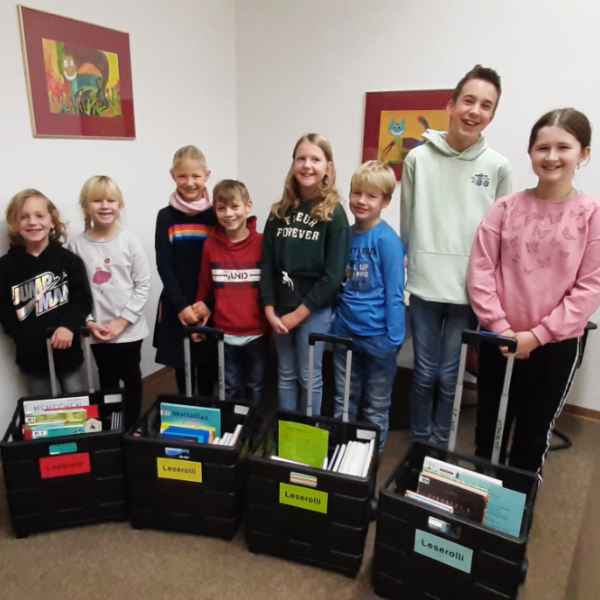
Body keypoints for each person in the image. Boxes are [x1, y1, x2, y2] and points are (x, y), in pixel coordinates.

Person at [467, 108, 600, 476]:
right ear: (530, 153)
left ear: (584, 154)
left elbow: (590, 286)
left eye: (563, 147)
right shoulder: (505, 208)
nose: (551, 157)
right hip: (498, 339)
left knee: (531, 437)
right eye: (542, 147)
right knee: (488, 432)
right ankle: (477, 501)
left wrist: (537, 336)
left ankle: (515, 507)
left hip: (555, 346)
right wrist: (501, 327)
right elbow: (480, 270)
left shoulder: (591, 214)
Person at [400, 64, 512, 447]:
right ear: (450, 105)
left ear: (492, 115)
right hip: (424, 286)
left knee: (450, 376)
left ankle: (441, 446)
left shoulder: (498, 166)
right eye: (468, 100)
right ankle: (419, 444)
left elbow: (499, 235)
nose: (474, 111)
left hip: (468, 290)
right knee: (424, 373)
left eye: (486, 105)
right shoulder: (418, 159)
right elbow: (408, 223)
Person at [261, 133, 350, 415]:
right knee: (285, 374)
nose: (307, 165)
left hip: (314, 310)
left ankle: (308, 432)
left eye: (315, 159)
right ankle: (287, 430)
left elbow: (334, 276)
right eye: (301, 158)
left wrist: (298, 315)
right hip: (280, 310)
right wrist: (269, 309)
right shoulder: (279, 212)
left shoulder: (334, 214)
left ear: (327, 167)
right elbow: (266, 265)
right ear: (293, 164)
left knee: (309, 376)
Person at [331, 161, 405, 451]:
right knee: (343, 401)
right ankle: (341, 455)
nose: (361, 201)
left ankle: (370, 461)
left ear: (385, 201)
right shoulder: (345, 235)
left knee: (375, 406)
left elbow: (395, 293)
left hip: (379, 338)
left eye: (371, 196)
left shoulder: (388, 240)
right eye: (357, 193)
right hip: (345, 334)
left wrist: (393, 339)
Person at [69, 176, 151, 427]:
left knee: (131, 375)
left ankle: (132, 426)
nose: (105, 206)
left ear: (119, 205)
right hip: (98, 330)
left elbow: (143, 284)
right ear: (86, 206)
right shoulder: (76, 245)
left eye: (111, 200)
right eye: (97, 200)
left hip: (130, 329)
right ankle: (113, 426)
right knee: (107, 377)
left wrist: (122, 321)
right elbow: (75, 291)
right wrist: (89, 322)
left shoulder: (129, 240)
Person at [0, 189, 92, 395]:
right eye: (24, 217)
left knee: (78, 402)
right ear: (15, 224)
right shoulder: (5, 267)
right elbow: (4, 309)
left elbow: (82, 300)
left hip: (69, 353)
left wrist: (68, 326)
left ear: (52, 221)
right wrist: (21, 335)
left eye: (39, 215)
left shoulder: (70, 261)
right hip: (31, 357)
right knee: (42, 407)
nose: (33, 222)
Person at [192, 179, 267, 405]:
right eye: (221, 208)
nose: (229, 213)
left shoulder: (263, 243)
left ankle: (254, 425)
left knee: (256, 386)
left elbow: (270, 287)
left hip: (257, 332)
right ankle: (233, 424)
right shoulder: (210, 245)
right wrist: (198, 320)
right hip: (224, 333)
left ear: (248, 206)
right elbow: (204, 285)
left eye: (235, 206)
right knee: (230, 386)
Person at [153, 145, 217, 396]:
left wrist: (207, 304)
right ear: (173, 175)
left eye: (196, 176)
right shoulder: (165, 217)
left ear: (207, 175)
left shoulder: (216, 215)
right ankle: (186, 414)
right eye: (182, 176)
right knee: (182, 370)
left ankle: (208, 413)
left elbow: (222, 262)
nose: (190, 182)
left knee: (209, 368)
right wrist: (181, 306)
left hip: (209, 304)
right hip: (176, 303)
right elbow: (164, 264)